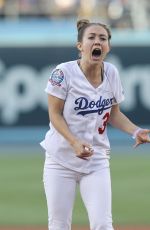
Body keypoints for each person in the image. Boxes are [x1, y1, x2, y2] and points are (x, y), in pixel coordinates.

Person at [40, 19, 150, 230]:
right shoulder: (63, 73)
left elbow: (114, 113)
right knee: (59, 225)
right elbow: (54, 114)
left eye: (103, 38)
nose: (97, 41)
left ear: (107, 46)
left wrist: (135, 131)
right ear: (80, 45)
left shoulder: (112, 73)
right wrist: (73, 142)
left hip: (96, 160)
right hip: (60, 160)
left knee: (102, 224)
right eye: (91, 37)